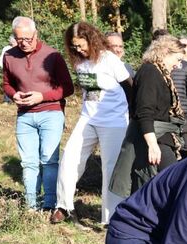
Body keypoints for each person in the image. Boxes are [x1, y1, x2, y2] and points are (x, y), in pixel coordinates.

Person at [52, 21, 132, 225]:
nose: (78, 49)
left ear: (92, 40)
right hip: (88, 118)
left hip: (114, 121)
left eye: (81, 45)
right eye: (74, 46)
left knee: (110, 167)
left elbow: (129, 87)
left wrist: (132, 117)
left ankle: (112, 217)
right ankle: (64, 206)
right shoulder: (79, 61)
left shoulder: (109, 59)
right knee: (69, 158)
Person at [2, 16, 74, 211]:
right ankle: (31, 205)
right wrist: (13, 94)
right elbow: (7, 84)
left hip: (51, 113)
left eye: (28, 39)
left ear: (36, 34)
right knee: (28, 163)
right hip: (24, 116)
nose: (24, 43)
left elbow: (68, 88)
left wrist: (42, 96)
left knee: (49, 160)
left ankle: (50, 204)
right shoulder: (9, 56)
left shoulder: (53, 56)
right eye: (19, 40)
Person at [109, 35, 186, 197]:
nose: (178, 65)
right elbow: (144, 111)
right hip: (152, 137)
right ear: (165, 52)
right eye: (177, 59)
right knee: (159, 183)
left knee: (156, 185)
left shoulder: (161, 73)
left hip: (162, 135)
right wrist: (152, 145)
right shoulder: (150, 72)